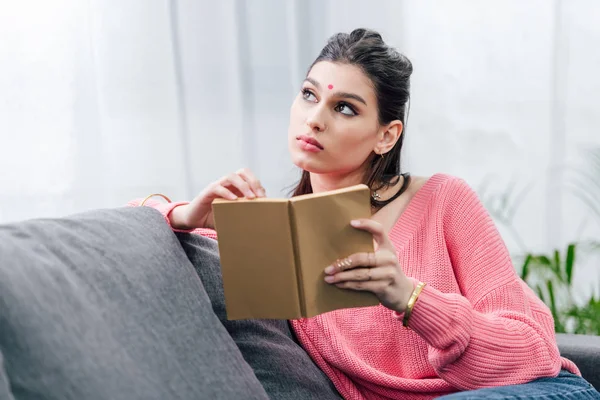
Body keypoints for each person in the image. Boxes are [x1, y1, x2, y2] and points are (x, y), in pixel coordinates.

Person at [132, 29, 600, 399]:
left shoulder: (443, 201)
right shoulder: (278, 233)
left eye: (345, 108)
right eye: (309, 95)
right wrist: (187, 214)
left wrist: (410, 297)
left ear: (386, 135)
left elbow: (533, 354)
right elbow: (131, 222)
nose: (315, 119)